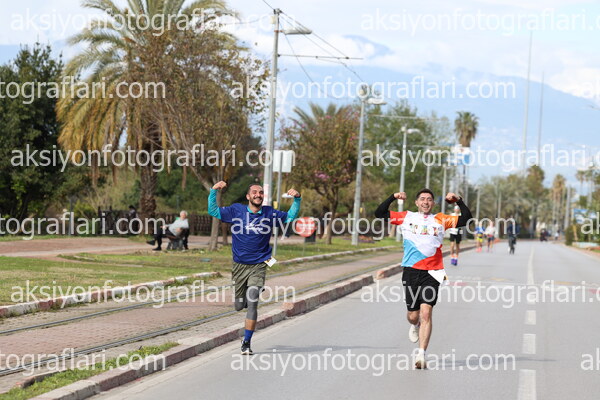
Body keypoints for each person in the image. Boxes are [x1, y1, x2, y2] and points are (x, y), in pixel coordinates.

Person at [375, 189, 472, 369]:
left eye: (429, 199)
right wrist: (393, 197)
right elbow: (379, 213)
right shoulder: (407, 217)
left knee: (426, 312)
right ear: (417, 202)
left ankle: (421, 355)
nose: (426, 202)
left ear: (433, 203)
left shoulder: (441, 219)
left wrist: (458, 200)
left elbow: (466, 219)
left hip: (434, 272)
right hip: (411, 270)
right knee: (413, 315)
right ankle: (415, 324)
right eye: (422, 199)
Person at [208, 181, 301, 355]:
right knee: (238, 306)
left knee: (252, 302)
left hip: (259, 264)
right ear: (248, 196)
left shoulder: (269, 213)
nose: (258, 195)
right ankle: (250, 289)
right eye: (255, 192)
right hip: (239, 266)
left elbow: (290, 217)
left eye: (261, 192)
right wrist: (213, 191)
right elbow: (213, 211)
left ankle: (246, 342)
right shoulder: (236, 210)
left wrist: (297, 199)